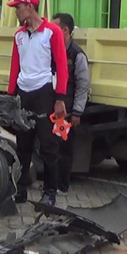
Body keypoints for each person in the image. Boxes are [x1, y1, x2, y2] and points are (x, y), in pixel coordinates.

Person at [7, 0, 68, 207]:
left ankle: (50, 192)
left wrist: (60, 97)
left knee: (49, 145)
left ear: (29, 7)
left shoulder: (52, 32)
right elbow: (15, 68)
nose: (15, 11)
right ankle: (21, 189)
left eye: (18, 7)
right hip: (24, 94)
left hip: (45, 93)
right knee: (23, 144)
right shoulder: (19, 36)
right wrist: (10, 97)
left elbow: (62, 67)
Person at [52, 13, 90, 193]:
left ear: (65, 30)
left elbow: (82, 85)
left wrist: (77, 112)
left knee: (64, 148)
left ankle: (62, 186)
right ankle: (50, 183)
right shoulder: (51, 50)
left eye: (55, 27)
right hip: (50, 108)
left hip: (65, 112)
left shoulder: (77, 55)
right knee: (49, 147)